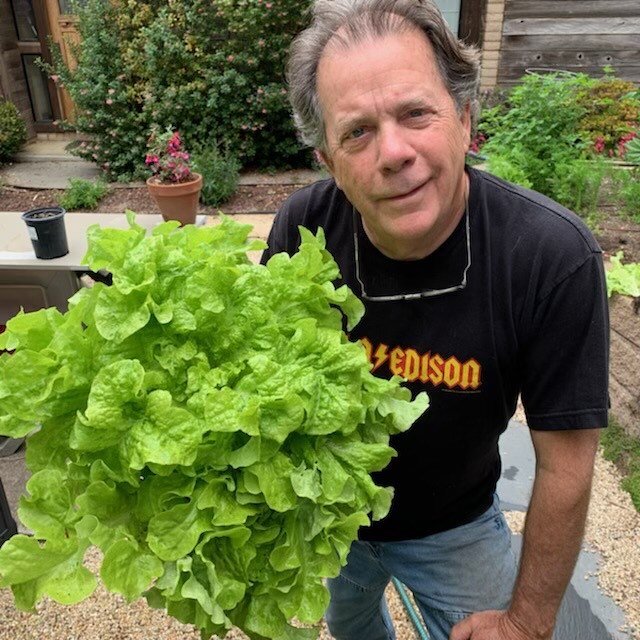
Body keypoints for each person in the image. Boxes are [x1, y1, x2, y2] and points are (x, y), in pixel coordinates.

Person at [260, 1, 609, 638]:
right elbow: (259, 380)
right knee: (351, 623)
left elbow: (565, 464)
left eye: (416, 112)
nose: (392, 152)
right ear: (328, 160)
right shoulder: (303, 229)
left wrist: (528, 621)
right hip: (330, 518)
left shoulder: (548, 255)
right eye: (356, 132)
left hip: (455, 522)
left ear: (465, 120)